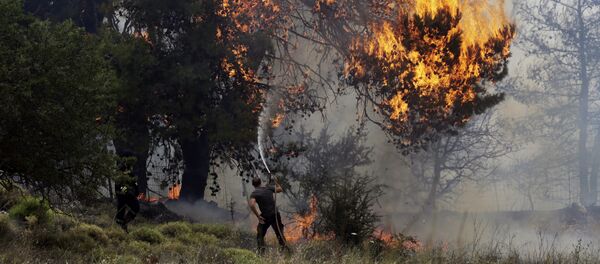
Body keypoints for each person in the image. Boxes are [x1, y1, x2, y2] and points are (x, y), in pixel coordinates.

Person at [248, 176, 287, 253]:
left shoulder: (254, 193)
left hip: (265, 216)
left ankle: (261, 252)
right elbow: (280, 189)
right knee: (279, 233)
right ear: (260, 182)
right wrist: (276, 181)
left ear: (253, 185)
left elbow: (252, 205)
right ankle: (284, 250)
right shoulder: (268, 188)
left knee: (260, 234)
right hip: (274, 215)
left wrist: (258, 216)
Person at [114, 154, 140, 233]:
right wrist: (126, 191)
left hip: (130, 195)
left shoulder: (129, 171)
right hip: (122, 194)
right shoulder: (119, 171)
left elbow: (134, 181)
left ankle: (125, 222)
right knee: (120, 213)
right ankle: (120, 228)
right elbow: (119, 185)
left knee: (136, 207)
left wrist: (136, 190)